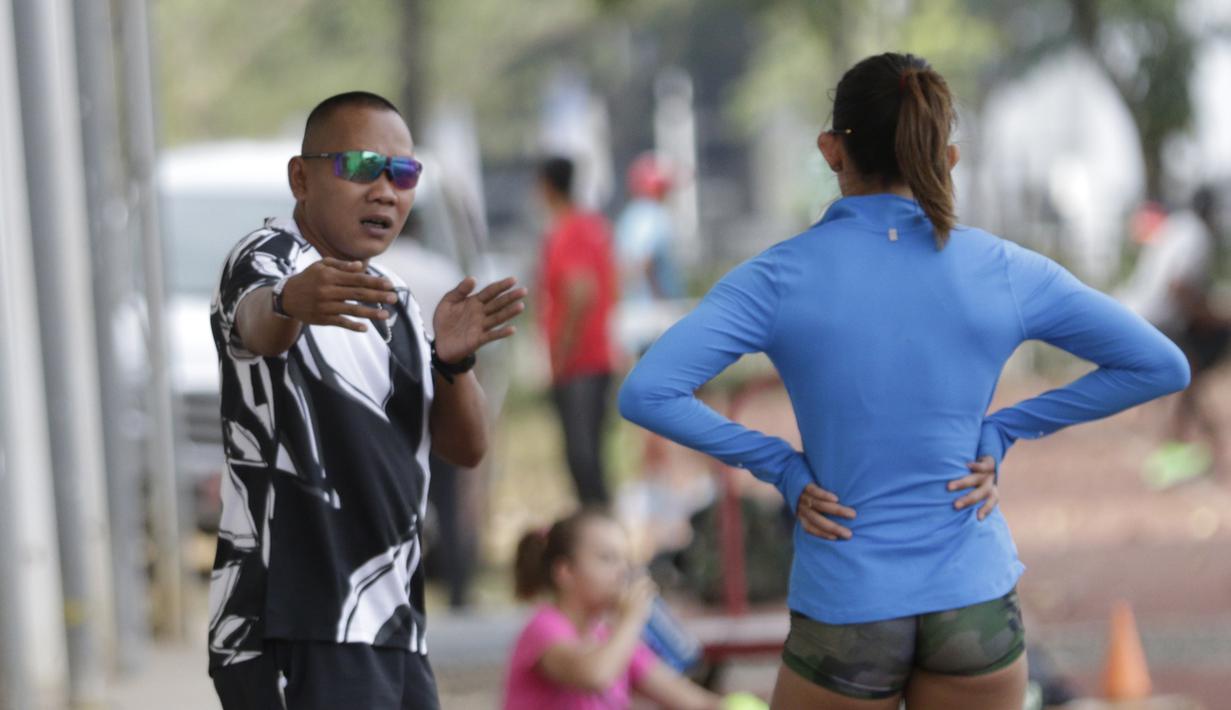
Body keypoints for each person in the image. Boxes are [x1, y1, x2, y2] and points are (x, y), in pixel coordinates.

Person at [619, 53, 1190, 710]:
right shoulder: (1000, 268)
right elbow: (1159, 365)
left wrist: (778, 466)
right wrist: (1005, 429)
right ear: (945, 157)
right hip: (973, 606)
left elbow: (647, 391)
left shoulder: (779, 276)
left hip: (846, 606)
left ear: (831, 150)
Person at [207, 91, 526, 710]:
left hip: (392, 620)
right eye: (359, 166)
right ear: (301, 177)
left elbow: (466, 449)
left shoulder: (398, 298)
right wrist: (288, 304)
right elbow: (255, 322)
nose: (385, 190)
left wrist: (453, 362)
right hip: (295, 623)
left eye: (403, 173)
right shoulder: (267, 260)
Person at [503, 509, 728, 710]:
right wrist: (631, 619)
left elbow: (693, 701)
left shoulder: (611, 636)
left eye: (626, 560)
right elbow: (595, 675)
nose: (623, 571)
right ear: (566, 571)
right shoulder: (544, 628)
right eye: (607, 559)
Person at [1122, 187, 1229, 478]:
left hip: (1139, 313)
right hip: (1156, 317)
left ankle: (1195, 446)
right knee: (1184, 378)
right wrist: (1209, 317)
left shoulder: (1178, 226)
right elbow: (1178, 286)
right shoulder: (1197, 235)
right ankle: (1173, 454)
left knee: (1184, 381)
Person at [537, 156, 619, 506]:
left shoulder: (568, 231)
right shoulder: (593, 226)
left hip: (580, 362)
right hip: (598, 355)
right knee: (592, 453)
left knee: (582, 458)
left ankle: (596, 532)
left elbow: (580, 291)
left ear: (546, 187)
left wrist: (561, 353)